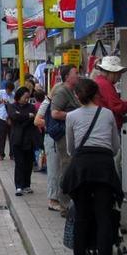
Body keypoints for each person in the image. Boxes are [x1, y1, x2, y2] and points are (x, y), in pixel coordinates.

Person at [61, 78, 123, 255]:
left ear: (77, 96)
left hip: (82, 169)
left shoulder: (71, 116)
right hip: (104, 168)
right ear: (96, 94)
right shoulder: (107, 114)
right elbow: (115, 146)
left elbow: (71, 148)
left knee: (82, 215)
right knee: (104, 216)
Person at [94, 56, 127, 175]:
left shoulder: (100, 82)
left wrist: (124, 118)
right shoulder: (105, 85)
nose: (119, 76)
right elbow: (118, 108)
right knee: (113, 164)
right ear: (112, 73)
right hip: (108, 130)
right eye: (118, 73)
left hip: (104, 128)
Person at [50, 65, 81, 212]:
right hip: (64, 136)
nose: (79, 75)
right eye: (76, 73)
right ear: (67, 76)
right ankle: (64, 202)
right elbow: (55, 113)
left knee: (71, 166)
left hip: (73, 135)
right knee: (67, 166)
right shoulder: (62, 92)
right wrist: (74, 116)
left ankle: (70, 200)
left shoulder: (73, 91)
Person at [7, 87, 41, 196]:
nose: (26, 100)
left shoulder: (31, 107)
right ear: (18, 96)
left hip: (29, 139)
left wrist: (22, 117)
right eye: (24, 97)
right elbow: (14, 116)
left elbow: (33, 118)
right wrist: (27, 116)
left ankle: (27, 185)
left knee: (28, 163)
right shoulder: (12, 106)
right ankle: (19, 186)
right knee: (19, 163)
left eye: (28, 97)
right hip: (17, 139)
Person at [0, 81, 15, 160]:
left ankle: (12, 154)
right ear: (6, 89)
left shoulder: (13, 95)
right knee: (2, 136)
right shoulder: (0, 92)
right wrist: (1, 100)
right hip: (1, 117)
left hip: (10, 118)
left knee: (11, 136)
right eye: (9, 90)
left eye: (11, 90)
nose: (10, 92)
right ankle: (1, 154)